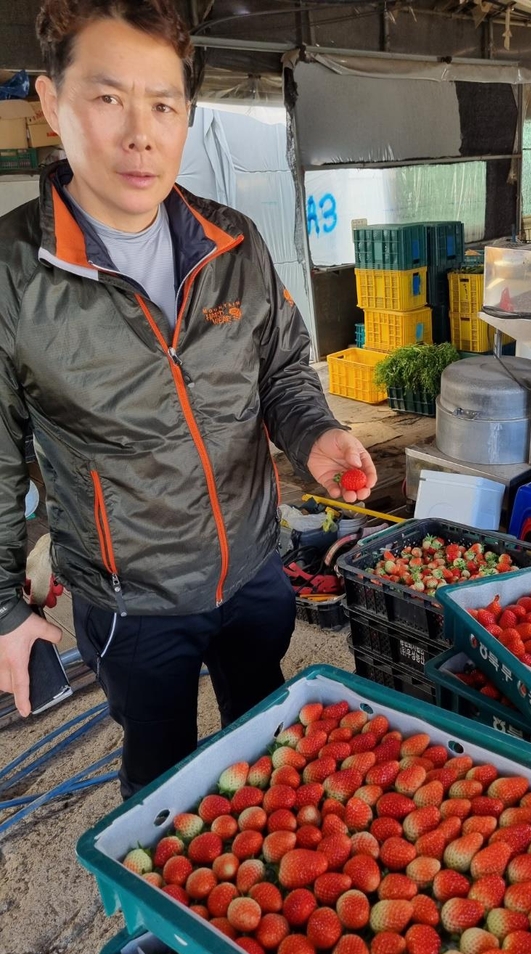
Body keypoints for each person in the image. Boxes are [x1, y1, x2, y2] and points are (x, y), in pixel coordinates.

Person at [0, 0, 376, 799]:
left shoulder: (231, 240)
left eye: (163, 104)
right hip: (131, 599)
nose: (141, 134)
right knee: (164, 776)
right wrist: (5, 608)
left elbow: (283, 369)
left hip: (252, 569)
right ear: (51, 102)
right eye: (108, 99)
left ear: (186, 114)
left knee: (268, 746)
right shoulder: (11, 277)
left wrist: (313, 434)